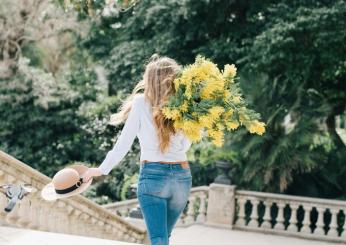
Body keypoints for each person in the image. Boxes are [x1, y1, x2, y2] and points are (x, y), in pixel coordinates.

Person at [82, 54, 193, 245]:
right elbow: (185, 145)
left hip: (153, 177)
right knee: (164, 238)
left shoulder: (141, 103)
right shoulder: (185, 105)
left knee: (159, 239)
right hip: (181, 178)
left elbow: (124, 144)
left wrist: (101, 169)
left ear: (149, 80)